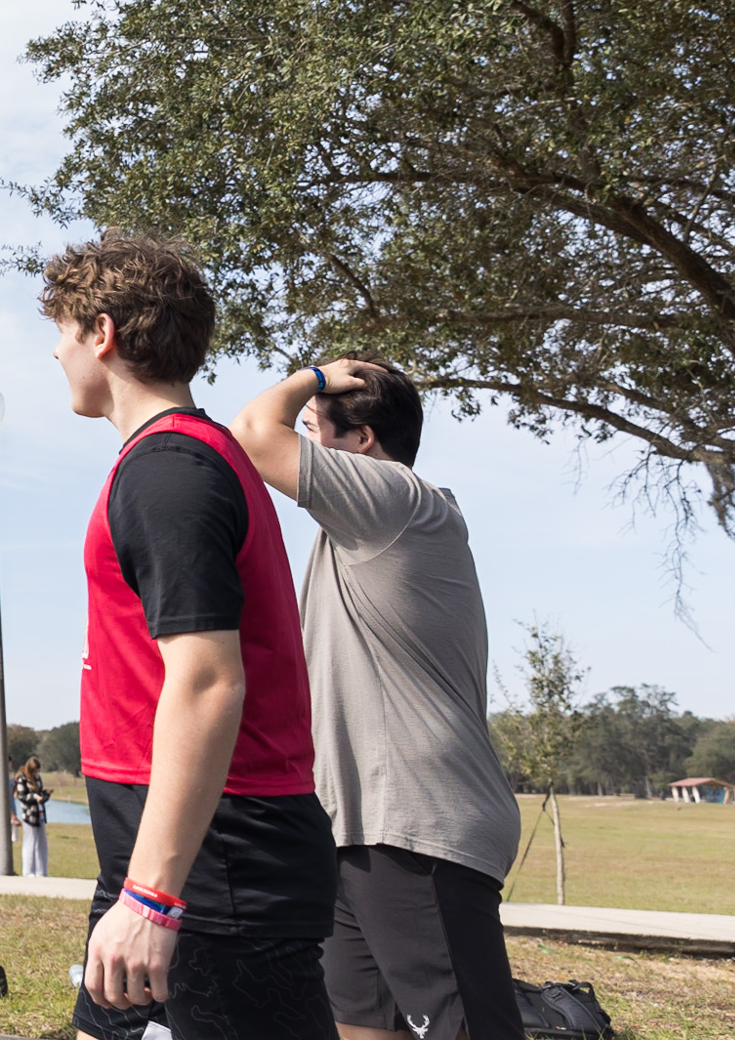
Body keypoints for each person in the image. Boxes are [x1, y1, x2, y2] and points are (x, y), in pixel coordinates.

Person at [41, 234, 336, 1040]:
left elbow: (208, 679)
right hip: (165, 855)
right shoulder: (173, 458)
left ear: (102, 333)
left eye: (63, 332)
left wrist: (153, 896)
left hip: (214, 867)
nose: (56, 352)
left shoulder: (170, 469)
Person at [231, 359, 526, 1040]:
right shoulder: (362, 527)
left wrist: (313, 376)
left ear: (362, 441)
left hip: (416, 824)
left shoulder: (396, 499)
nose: (302, 441)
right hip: (355, 829)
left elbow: (252, 432)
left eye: (313, 428)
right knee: (361, 1027)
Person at [14, 757, 53, 878]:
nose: (36, 773)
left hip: (39, 814)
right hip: (29, 816)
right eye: (35, 770)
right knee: (30, 842)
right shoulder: (22, 779)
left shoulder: (37, 779)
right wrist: (34, 797)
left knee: (42, 843)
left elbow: (40, 794)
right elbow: (22, 796)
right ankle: (28, 870)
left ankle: (42, 871)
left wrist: (46, 794)